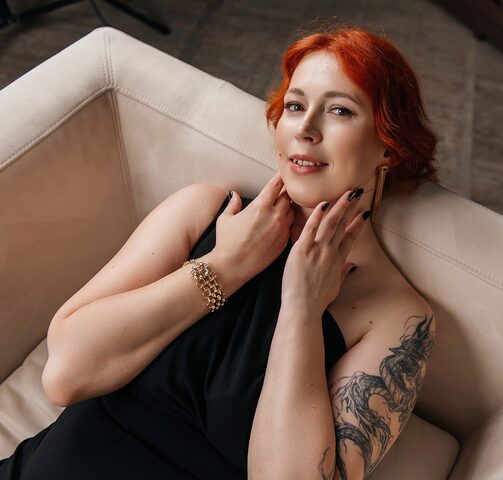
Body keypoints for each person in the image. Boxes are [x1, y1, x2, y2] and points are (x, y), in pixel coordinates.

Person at [0, 25, 438, 479]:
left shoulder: (397, 317)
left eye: (339, 111)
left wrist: (302, 308)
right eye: (294, 106)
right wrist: (225, 267)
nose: (305, 130)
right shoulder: (205, 211)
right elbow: (64, 375)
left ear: (389, 146)